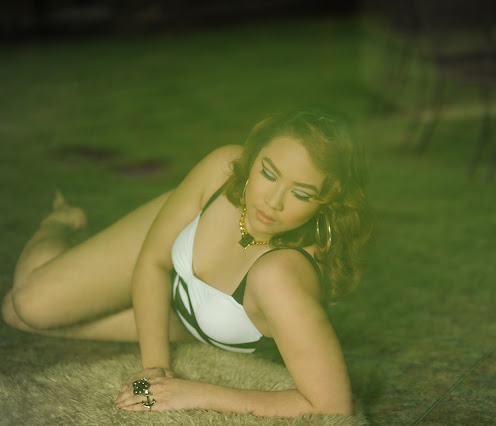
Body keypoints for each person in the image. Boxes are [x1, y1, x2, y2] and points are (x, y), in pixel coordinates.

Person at [1, 107, 372, 417]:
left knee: (18, 313)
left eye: (301, 194)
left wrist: (197, 393)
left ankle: (78, 248)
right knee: (31, 303)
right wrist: (156, 368)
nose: (272, 202)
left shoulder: (282, 275)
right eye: (268, 173)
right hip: (172, 253)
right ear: (253, 157)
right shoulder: (224, 169)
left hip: (186, 323)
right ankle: (61, 222)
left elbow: (332, 405)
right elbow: (152, 262)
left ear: (328, 203)